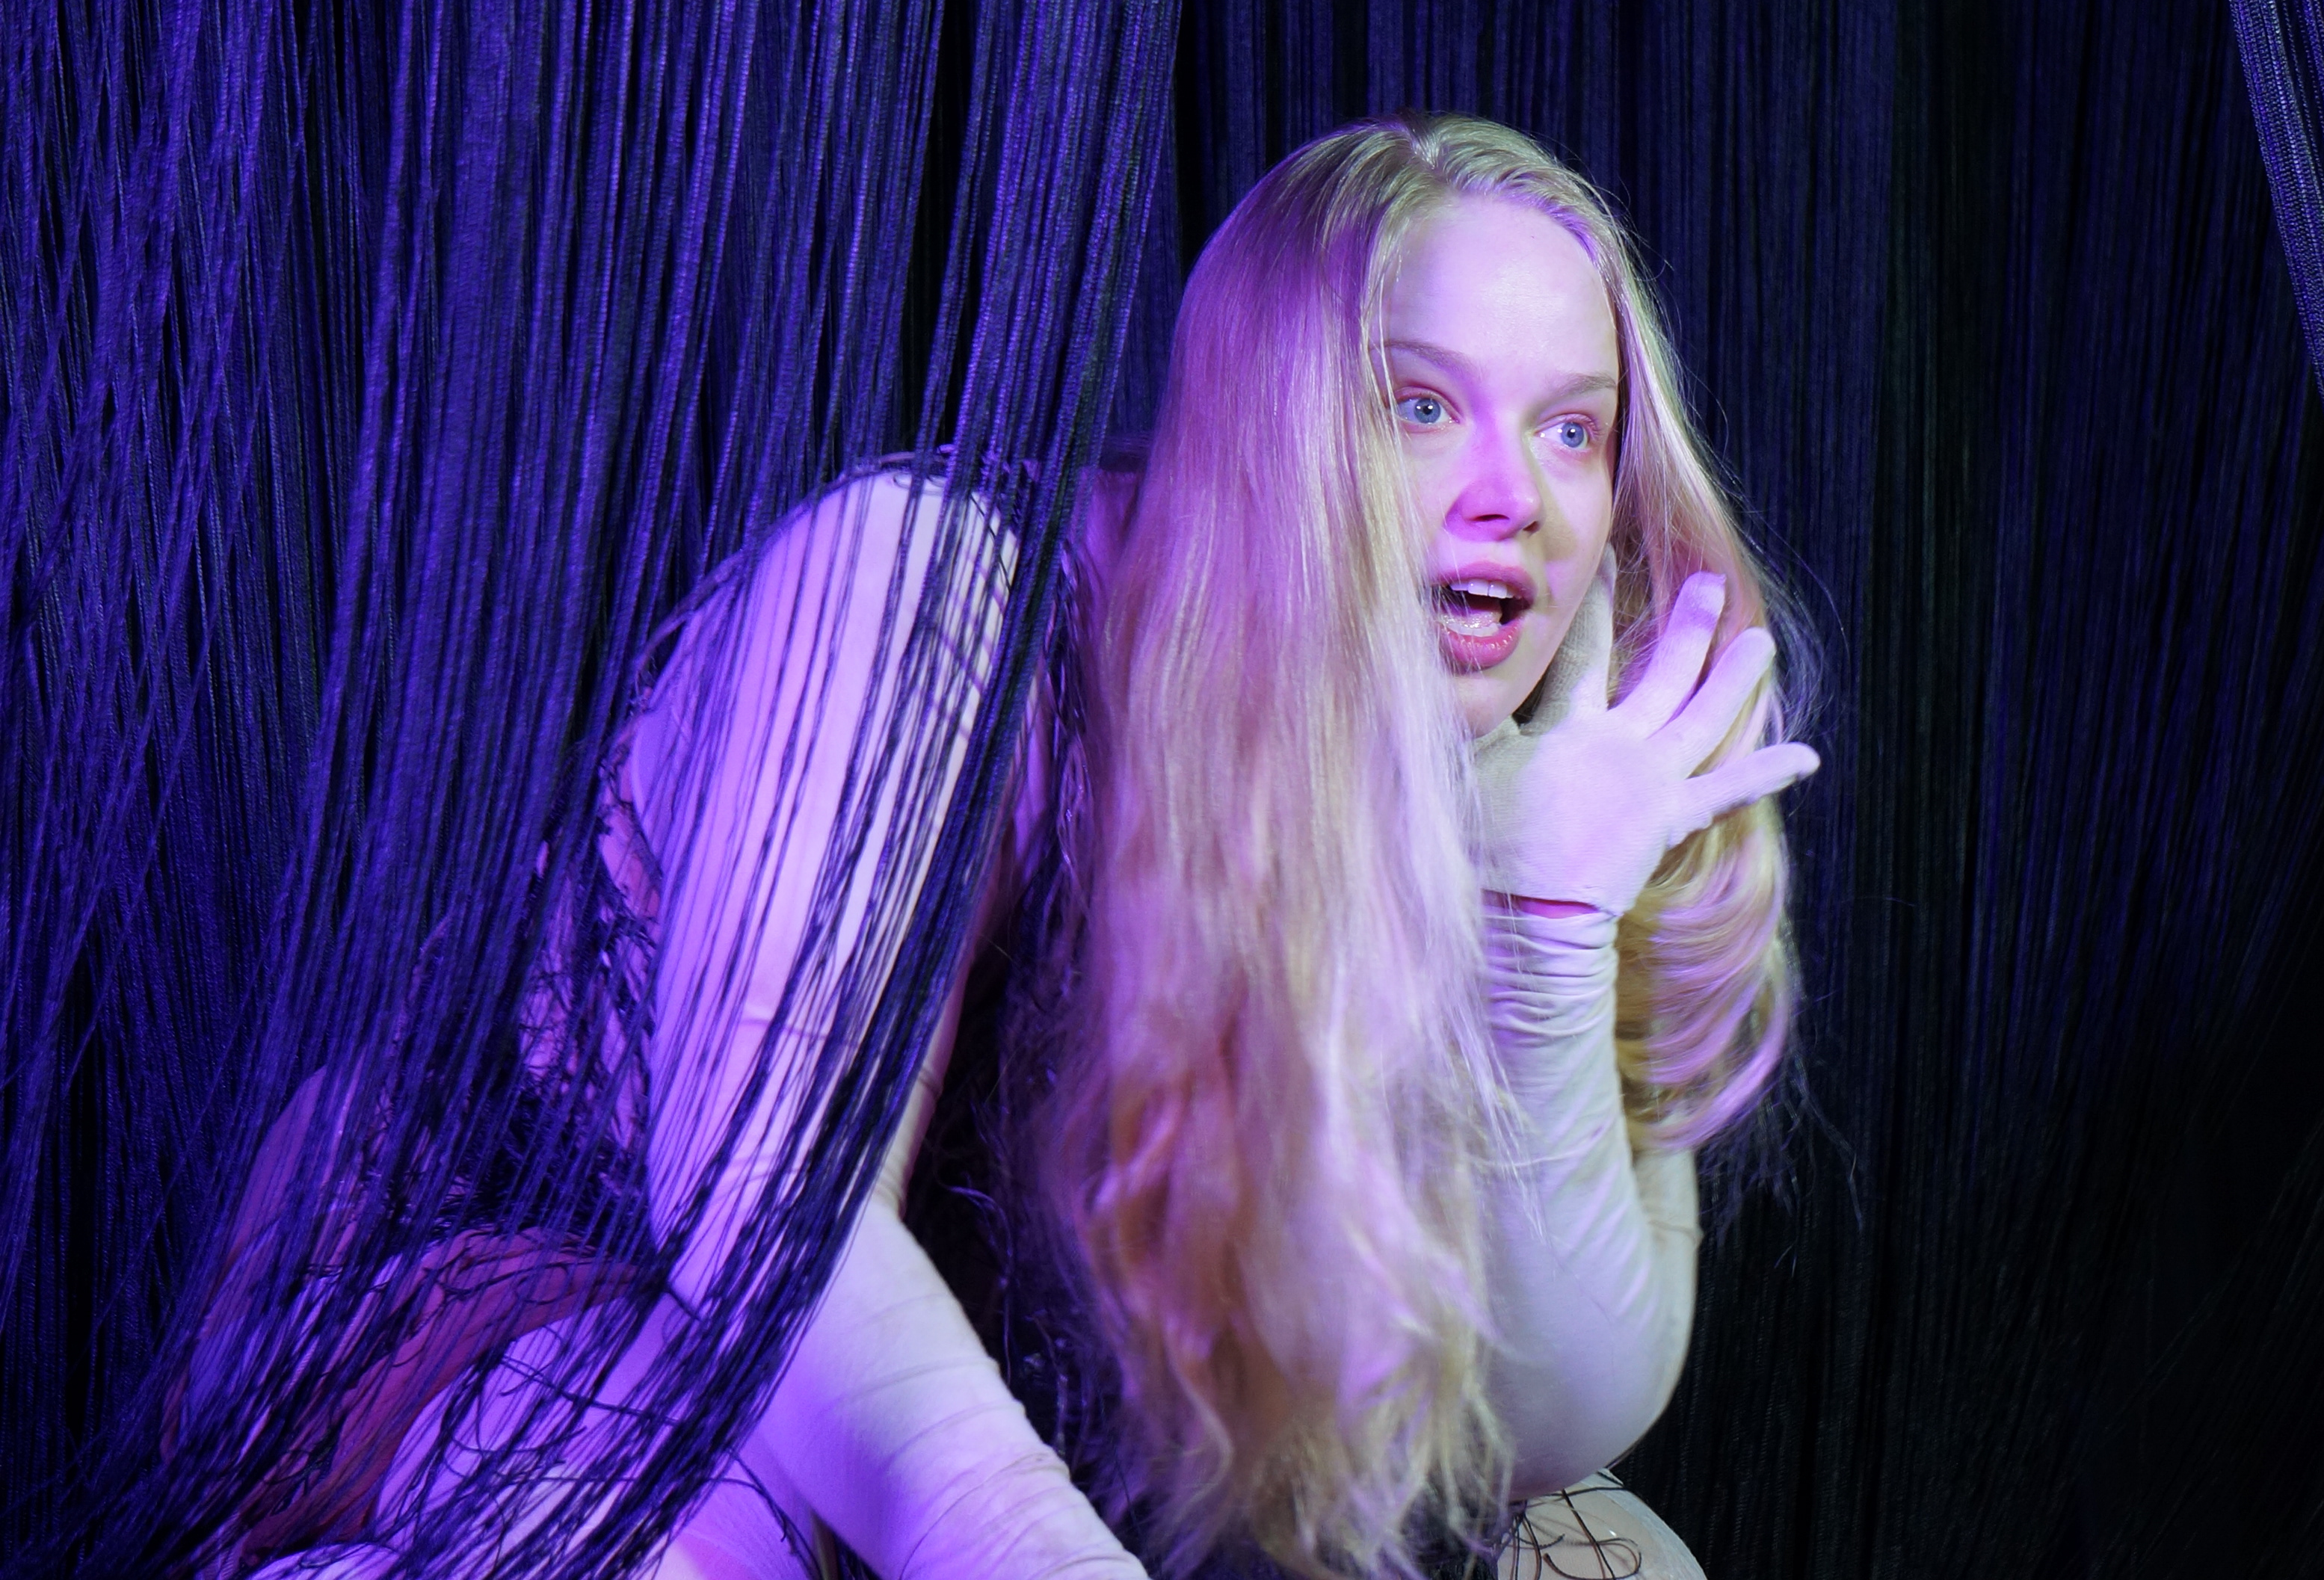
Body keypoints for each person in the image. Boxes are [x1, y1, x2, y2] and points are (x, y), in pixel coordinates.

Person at [243, 114, 1815, 1580]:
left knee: (1608, 1563)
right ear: (1268, 424)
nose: (1516, 500)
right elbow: (768, 1220)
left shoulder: (1561, 764)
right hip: (544, 1301)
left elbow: (1542, 1434)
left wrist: (1541, 932)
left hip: (1018, 1395)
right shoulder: (932, 602)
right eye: (1419, 406)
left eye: (1573, 430)